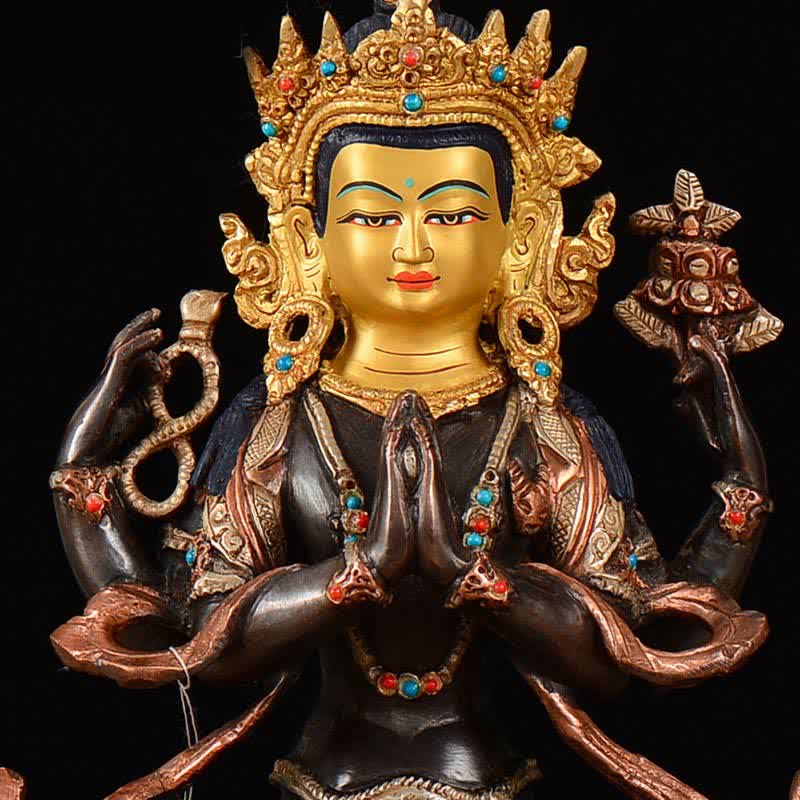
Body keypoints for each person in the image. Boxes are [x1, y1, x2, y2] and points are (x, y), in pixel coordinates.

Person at [49, 2, 775, 798]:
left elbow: (621, 652)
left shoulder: (547, 424)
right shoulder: (279, 422)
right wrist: (353, 572)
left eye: (454, 212)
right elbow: (199, 642)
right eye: (372, 214)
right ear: (307, 238)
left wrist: (481, 577)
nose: (413, 245)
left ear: (521, 234)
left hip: (491, 780)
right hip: (316, 781)